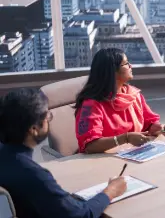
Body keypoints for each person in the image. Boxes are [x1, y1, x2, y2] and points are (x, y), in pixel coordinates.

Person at [0, 88, 127, 218]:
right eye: (47, 116)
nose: (49, 119)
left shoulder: (8, 157)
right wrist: (111, 191)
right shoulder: (33, 175)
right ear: (34, 129)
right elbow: (82, 215)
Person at [74, 48, 165, 154]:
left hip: (132, 156)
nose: (131, 66)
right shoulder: (91, 104)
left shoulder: (133, 95)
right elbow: (89, 145)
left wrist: (159, 128)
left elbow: (148, 124)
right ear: (112, 71)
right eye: (126, 64)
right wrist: (125, 138)